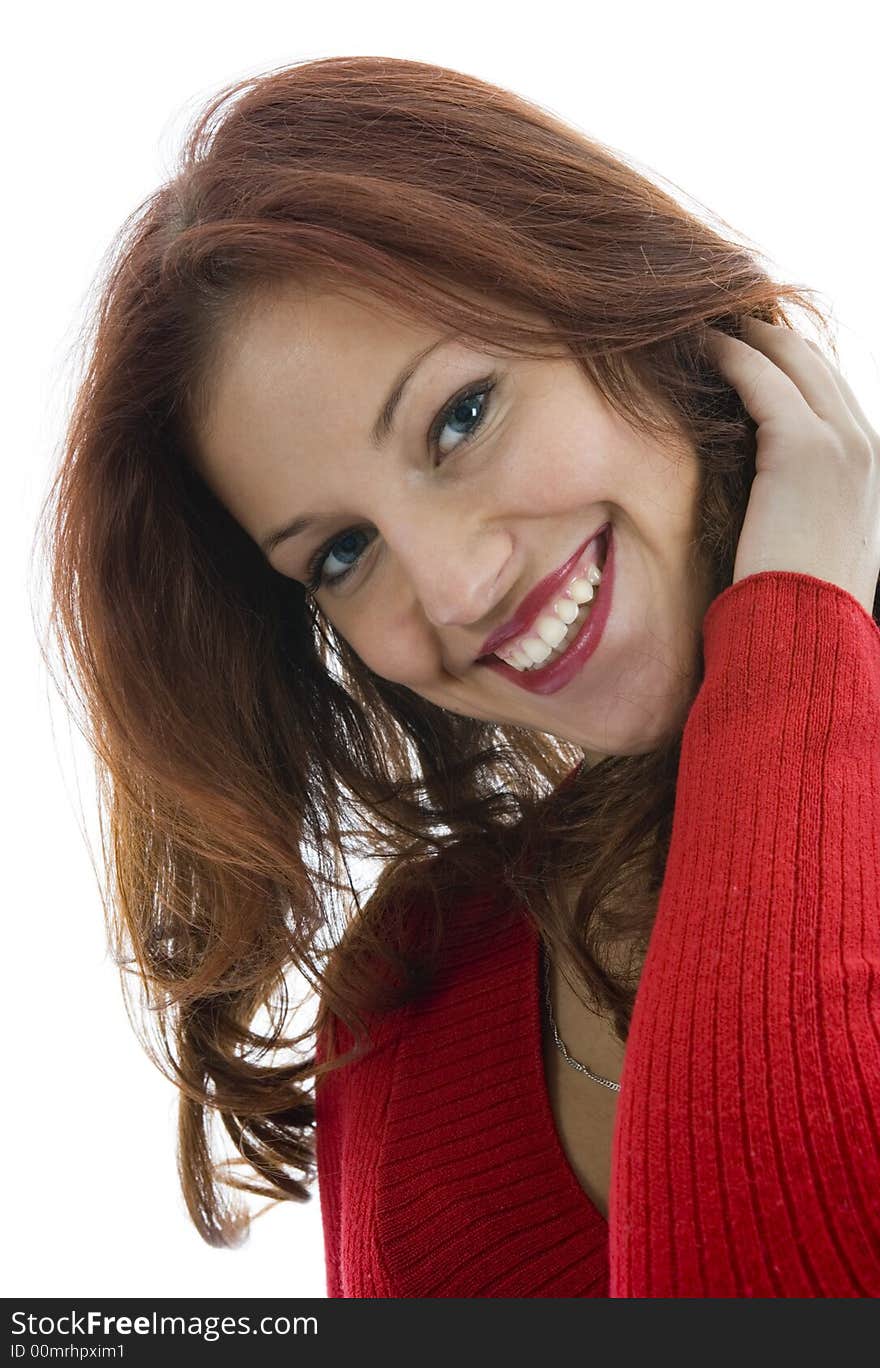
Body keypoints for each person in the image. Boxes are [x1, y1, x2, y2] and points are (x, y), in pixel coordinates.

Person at [36, 55, 880, 1297]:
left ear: (619, 303)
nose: (453, 593)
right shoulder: (410, 996)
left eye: (459, 418)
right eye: (340, 551)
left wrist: (795, 645)